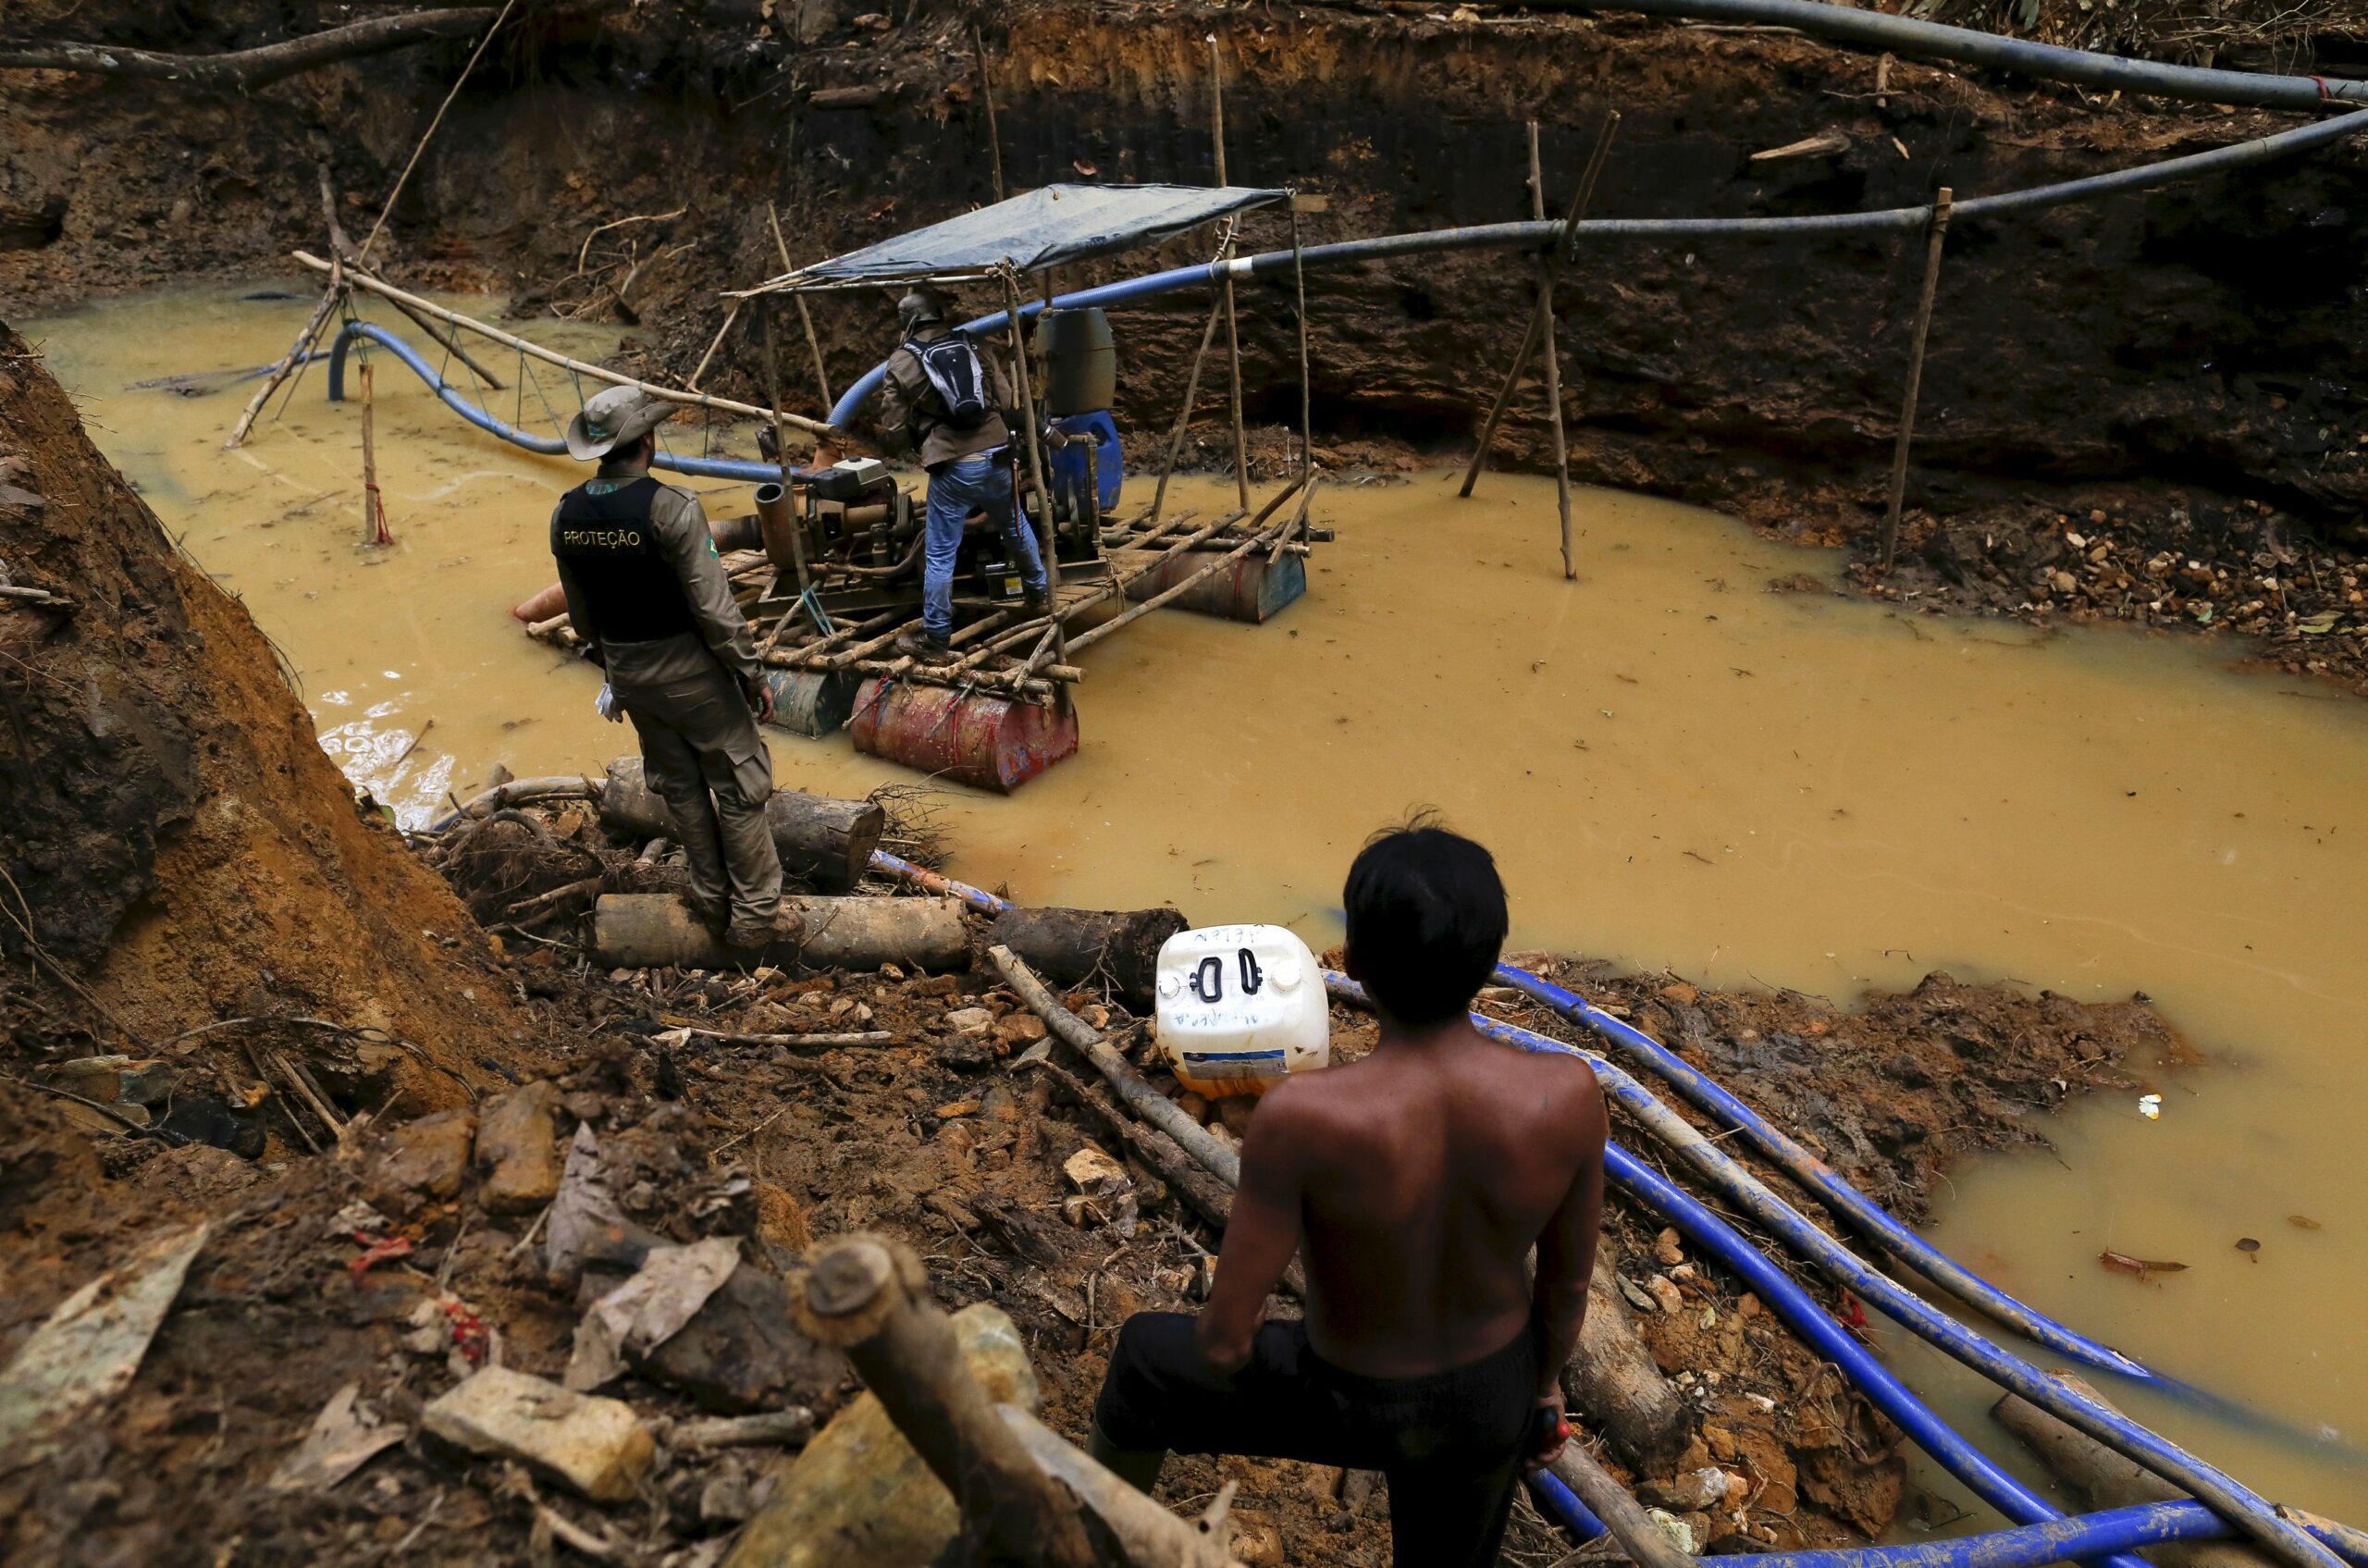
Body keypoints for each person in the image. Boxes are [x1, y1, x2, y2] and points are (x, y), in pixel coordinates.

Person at [1088, 822, 1609, 1567]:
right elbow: (1566, 1286)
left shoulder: (1304, 1116)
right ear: (1491, 961)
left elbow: (1227, 1338)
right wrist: (1542, 1389)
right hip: (1489, 1394)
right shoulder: (1568, 1095)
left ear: (1354, 961)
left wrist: (1224, 1364)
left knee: (1144, 1356)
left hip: (1348, 1395)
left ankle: (1086, 1546)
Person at [551, 385, 797, 949]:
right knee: (739, 783)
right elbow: (714, 607)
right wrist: (751, 672)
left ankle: (710, 900)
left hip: (629, 674)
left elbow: (582, 617)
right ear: (647, 442)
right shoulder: (671, 507)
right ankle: (757, 920)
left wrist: (617, 664)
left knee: (682, 788)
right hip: (690, 673)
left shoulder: (566, 513)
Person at [875, 285, 1049, 661]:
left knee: (940, 554)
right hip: (998, 455)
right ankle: (1039, 594)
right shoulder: (973, 342)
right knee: (1016, 525)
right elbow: (1004, 400)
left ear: (908, 322)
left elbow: (893, 429)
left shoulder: (901, 362)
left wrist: (920, 438)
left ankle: (936, 638)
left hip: (952, 466)